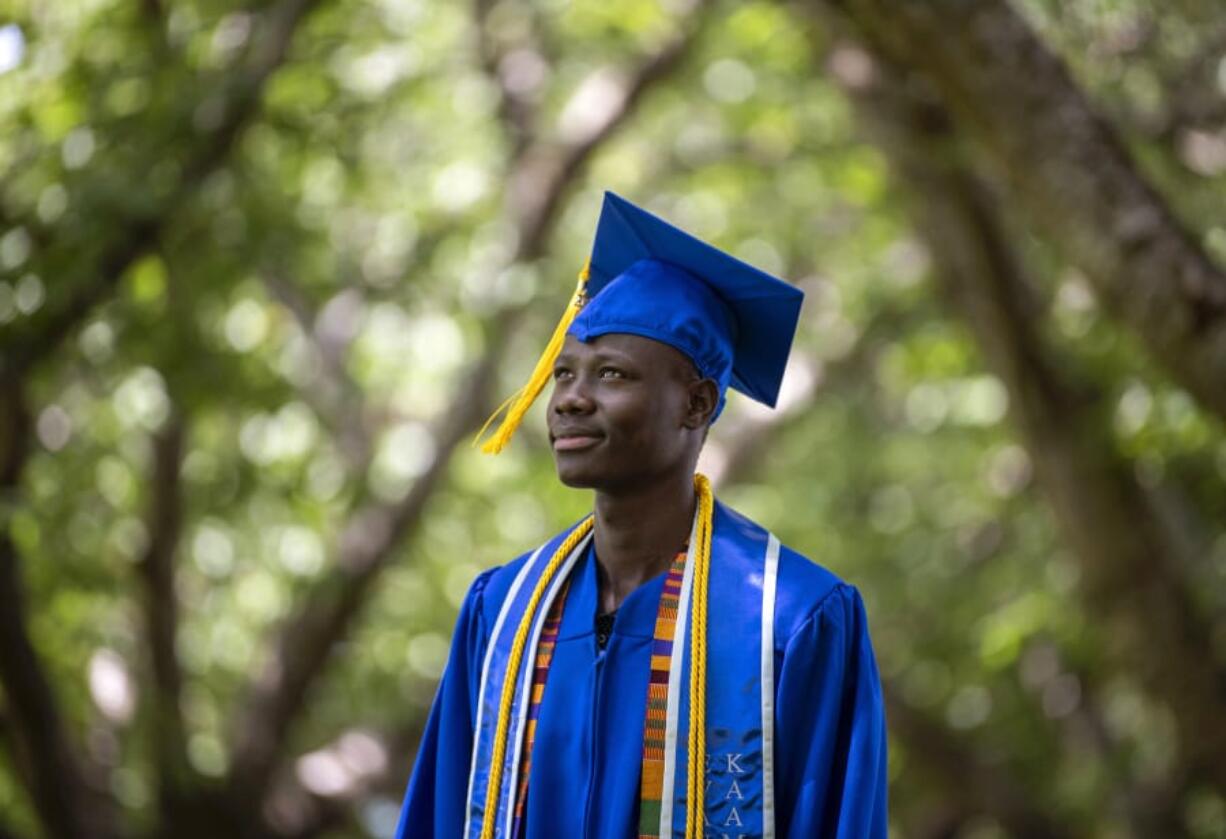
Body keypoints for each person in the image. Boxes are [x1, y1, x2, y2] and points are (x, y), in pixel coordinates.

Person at [396, 192, 887, 839]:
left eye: (611, 374)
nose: (571, 398)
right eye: (563, 373)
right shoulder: (501, 611)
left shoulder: (793, 618)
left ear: (696, 403)